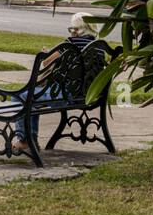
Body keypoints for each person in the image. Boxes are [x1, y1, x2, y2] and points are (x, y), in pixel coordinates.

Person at [11, 12, 96, 154]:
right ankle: (30, 139)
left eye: (72, 28)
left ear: (77, 29)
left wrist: (45, 53)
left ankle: (25, 139)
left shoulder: (69, 45)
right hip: (87, 95)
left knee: (21, 96)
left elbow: (45, 62)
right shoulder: (98, 46)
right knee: (32, 97)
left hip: (65, 96)